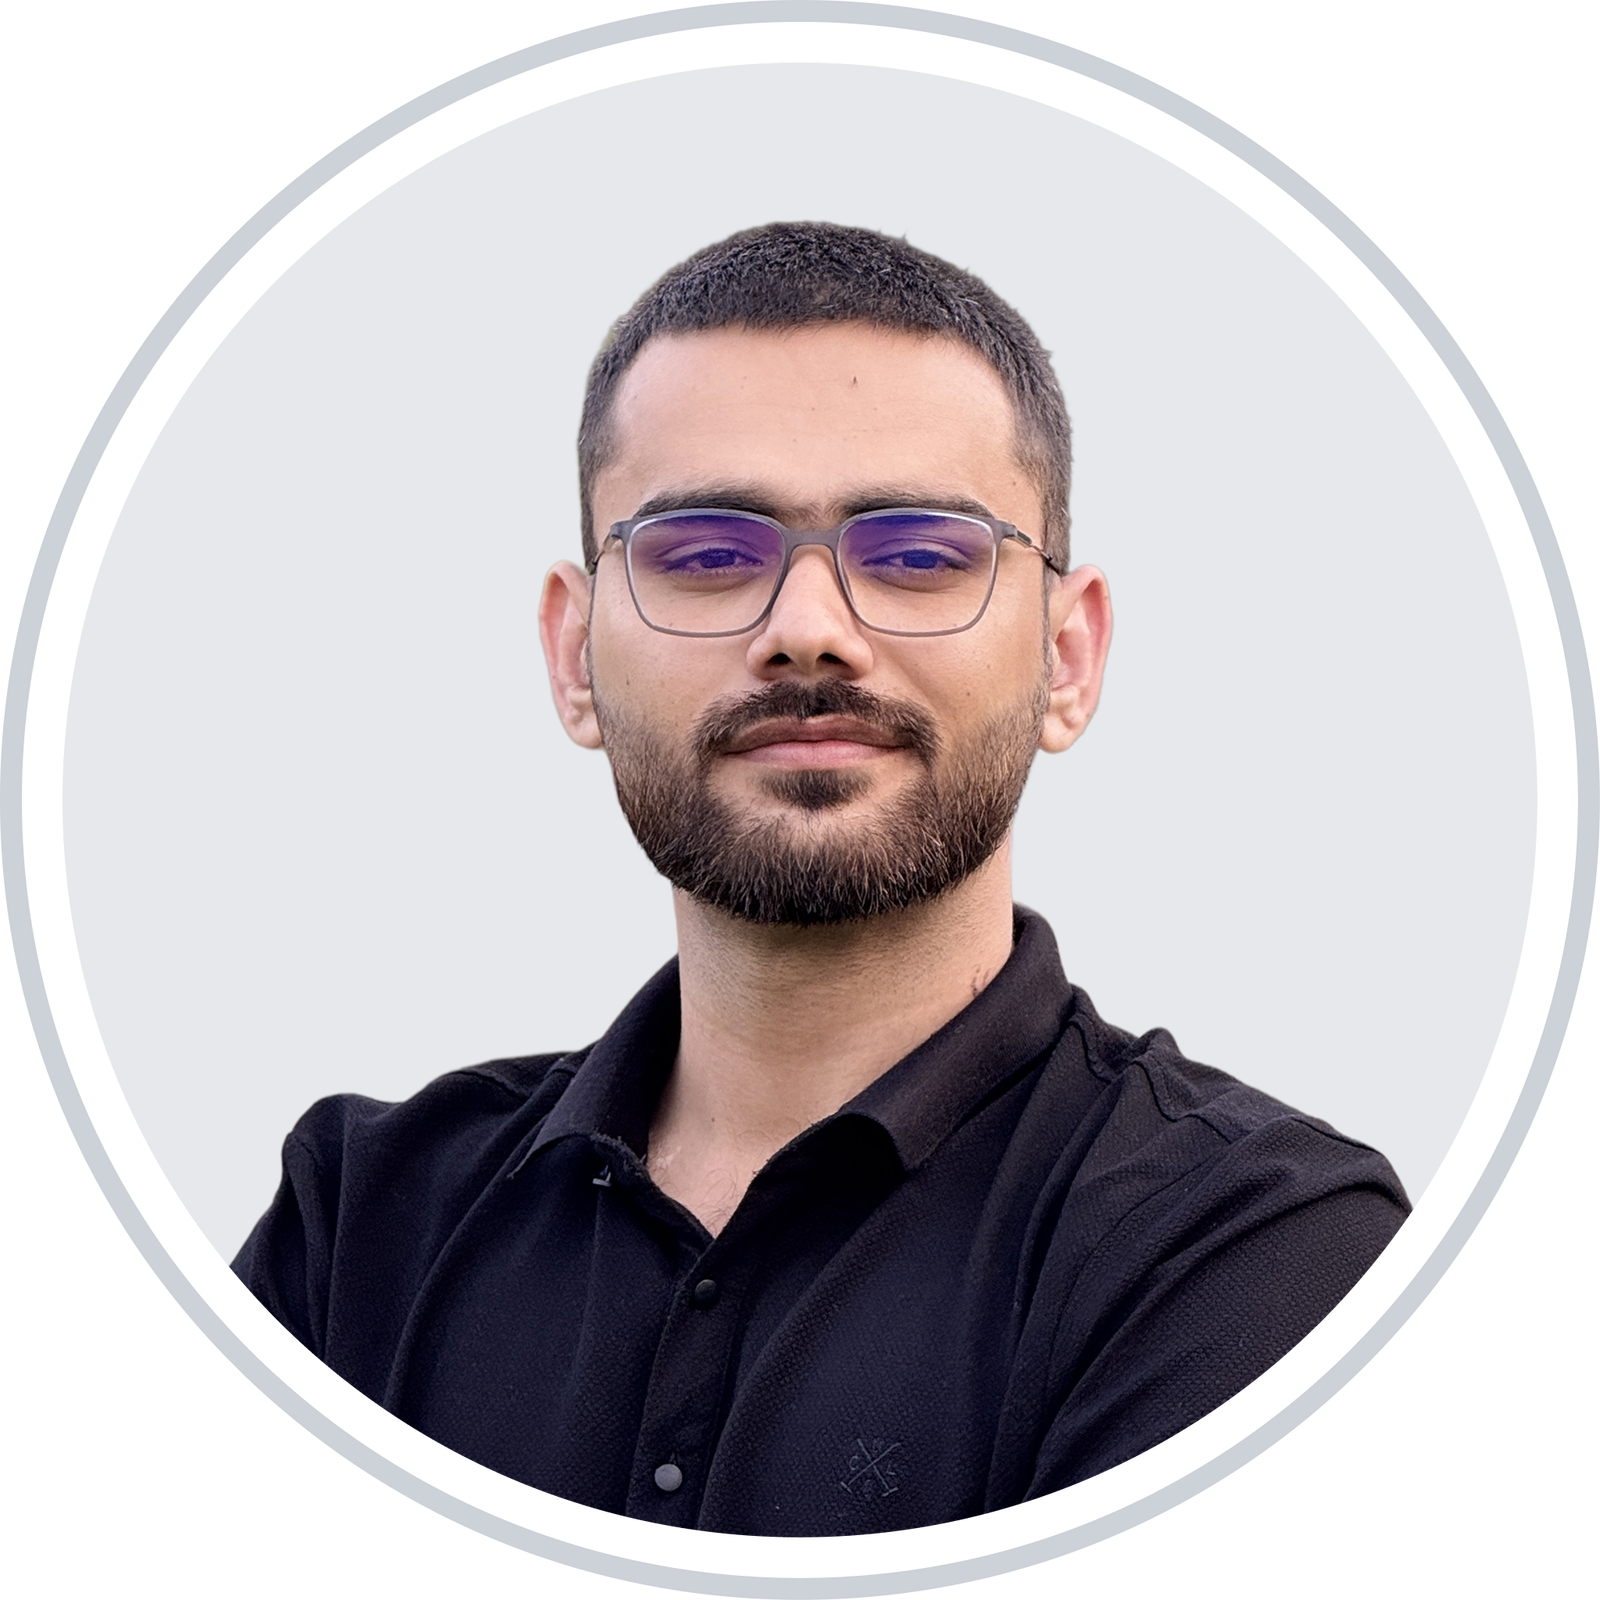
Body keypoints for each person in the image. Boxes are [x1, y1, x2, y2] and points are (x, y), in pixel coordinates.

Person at [232, 220, 1410, 1537]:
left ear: (1067, 660)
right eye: (703, 554)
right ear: (573, 659)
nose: (807, 632)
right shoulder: (360, 1222)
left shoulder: (1251, 1244)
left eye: (919, 555)